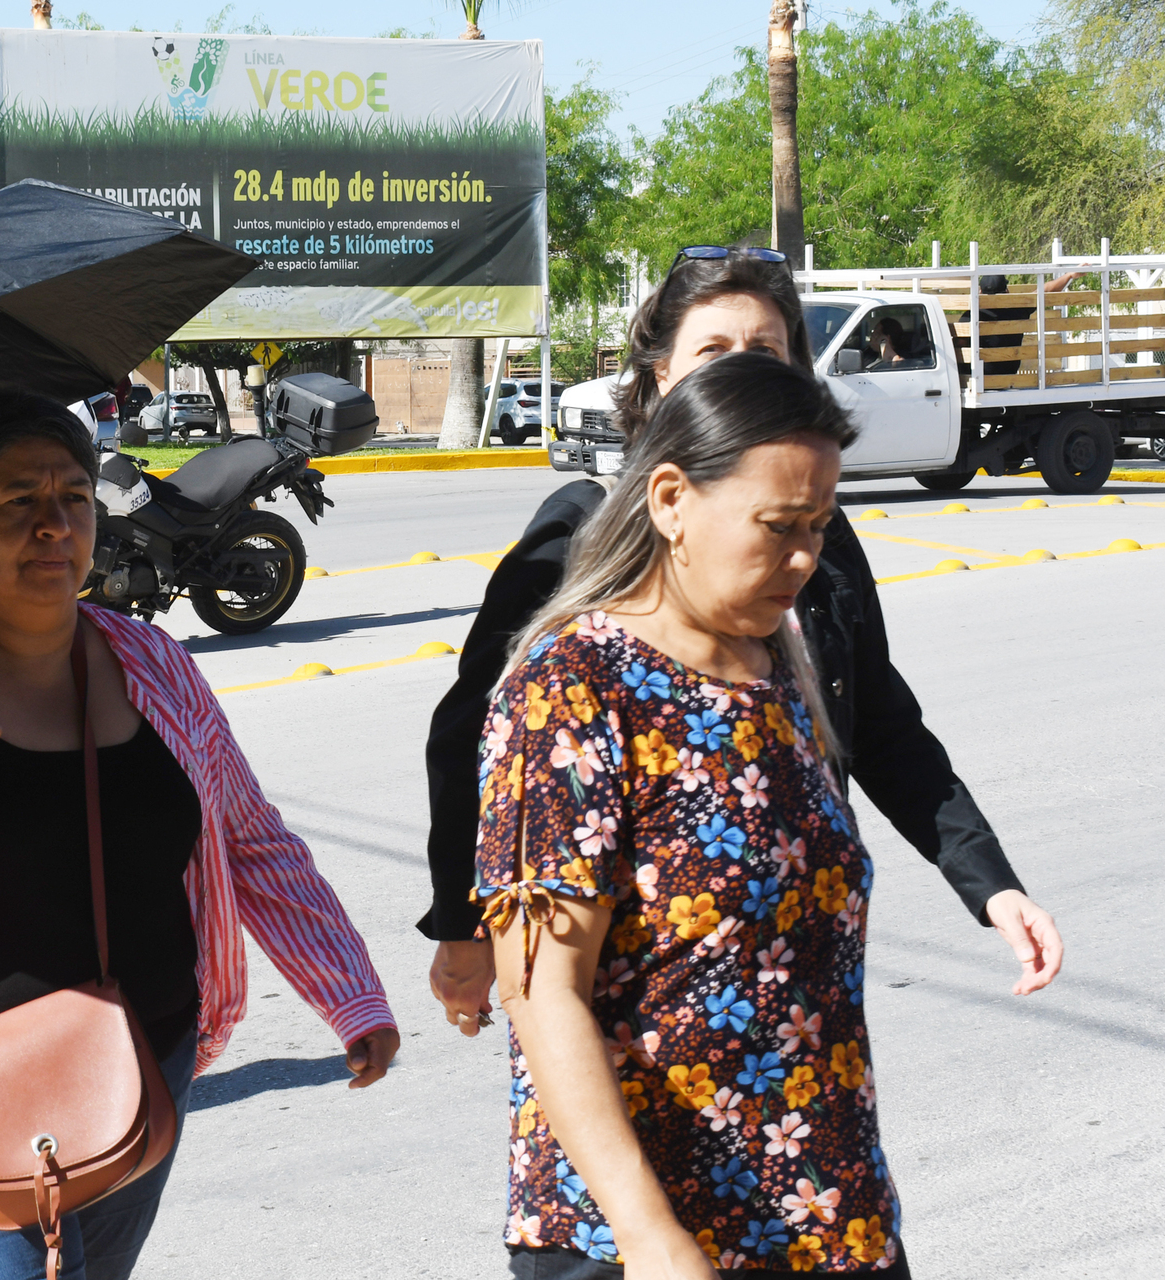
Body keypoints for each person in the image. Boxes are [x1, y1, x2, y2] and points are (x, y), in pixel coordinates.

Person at [0, 390, 398, 1280]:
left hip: (136, 1070)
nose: (54, 526)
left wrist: (349, 992)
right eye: (18, 502)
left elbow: (249, 838)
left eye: (72, 497)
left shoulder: (151, 659)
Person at [423, 247, 1063, 1046]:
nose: (740, 373)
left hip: (799, 986)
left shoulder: (818, 547)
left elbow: (884, 729)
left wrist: (991, 885)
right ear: (659, 378)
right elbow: (467, 739)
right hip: (639, 1006)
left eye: (766, 353)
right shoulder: (574, 543)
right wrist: (464, 923)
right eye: (712, 352)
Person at [478, 353, 910, 1275]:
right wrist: (649, 1237)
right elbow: (539, 988)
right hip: (641, 1233)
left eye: (821, 526)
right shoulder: (574, 686)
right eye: (779, 526)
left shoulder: (772, 662)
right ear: (671, 499)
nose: (806, 559)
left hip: (824, 1212)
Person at [974, 272, 1077, 378]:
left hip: (978, 378)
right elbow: (1045, 290)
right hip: (1009, 377)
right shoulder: (1016, 311)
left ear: (980, 292)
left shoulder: (972, 316)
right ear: (1006, 291)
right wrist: (1069, 275)